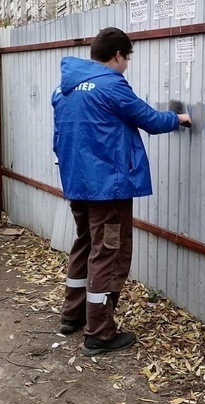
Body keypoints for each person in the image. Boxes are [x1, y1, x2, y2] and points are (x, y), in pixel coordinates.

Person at [52, 27, 191, 356]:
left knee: (85, 244)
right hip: (108, 190)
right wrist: (180, 118)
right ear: (117, 55)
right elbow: (150, 120)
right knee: (108, 252)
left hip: (78, 184)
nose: (126, 64)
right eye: (126, 57)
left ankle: (72, 315)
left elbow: (59, 137)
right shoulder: (111, 85)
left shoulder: (64, 89)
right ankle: (99, 331)